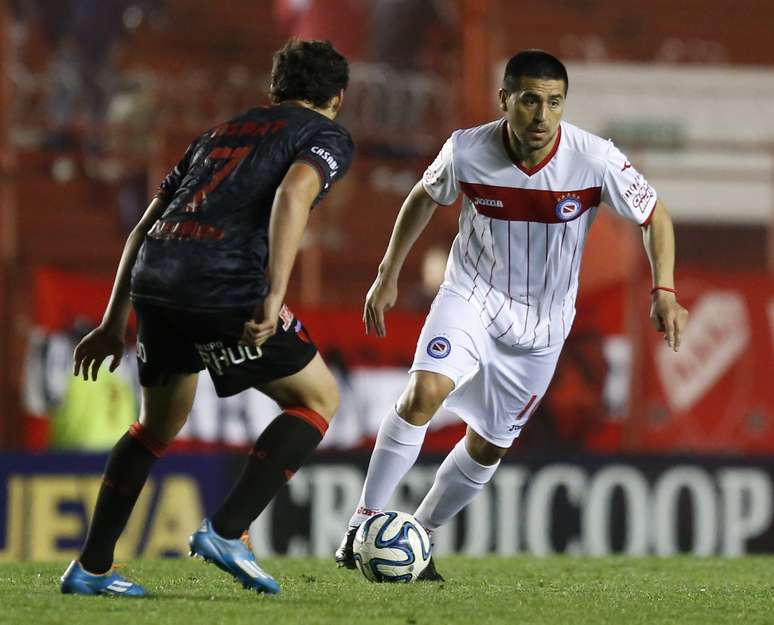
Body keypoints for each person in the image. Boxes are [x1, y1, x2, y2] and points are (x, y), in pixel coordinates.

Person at [335, 49, 688, 579]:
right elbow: (423, 197)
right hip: (471, 296)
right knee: (423, 392)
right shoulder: (466, 150)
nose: (542, 116)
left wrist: (664, 288)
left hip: (543, 327)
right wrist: (387, 273)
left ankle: (421, 536)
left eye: (553, 102)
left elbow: (654, 215)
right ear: (505, 100)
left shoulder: (594, 159)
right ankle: (361, 525)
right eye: (529, 101)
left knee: (489, 444)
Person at [59, 38, 353, 597]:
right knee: (318, 400)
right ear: (337, 98)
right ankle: (227, 531)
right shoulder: (324, 134)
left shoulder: (217, 135)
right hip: (220, 282)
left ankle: (91, 569)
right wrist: (273, 295)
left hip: (156, 276)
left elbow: (144, 226)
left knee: (155, 427)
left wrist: (111, 321)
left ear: (274, 90)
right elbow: (294, 195)